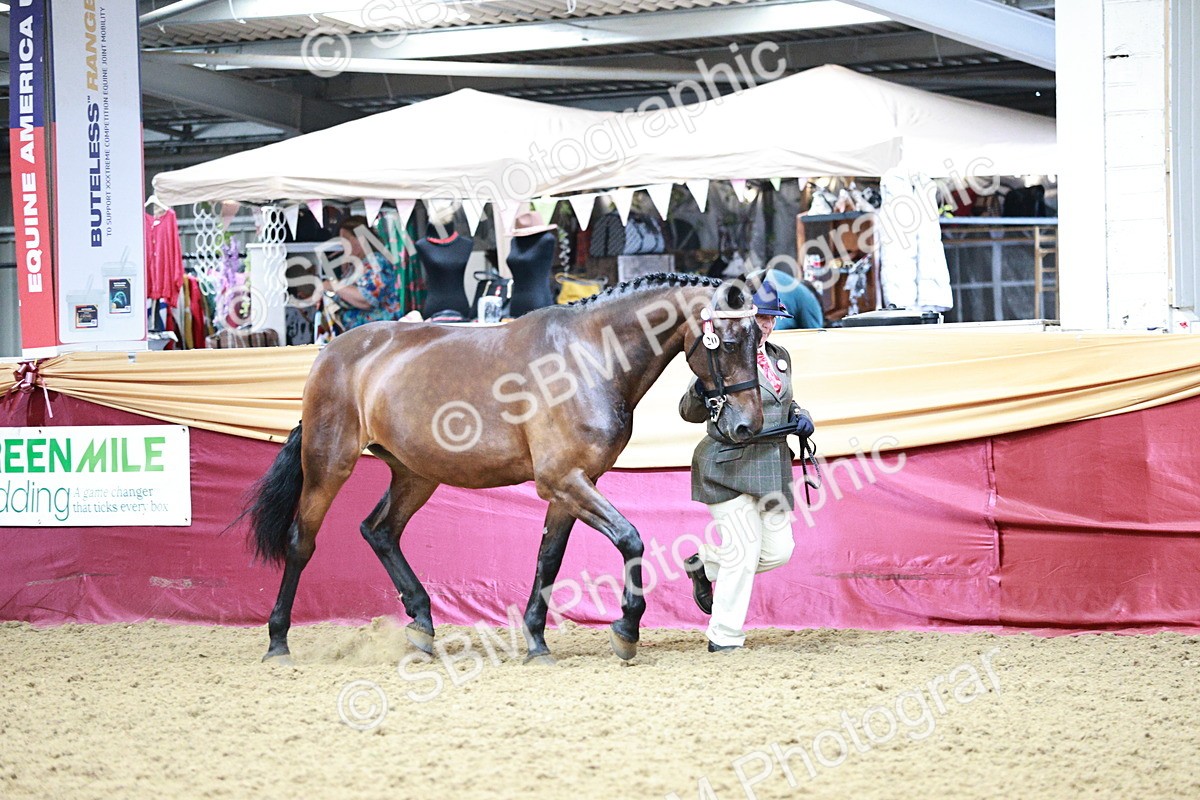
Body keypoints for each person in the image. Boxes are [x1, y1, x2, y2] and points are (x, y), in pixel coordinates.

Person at [679, 276, 815, 652]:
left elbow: (785, 401)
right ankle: (724, 636)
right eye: (762, 318)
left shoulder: (781, 358)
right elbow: (687, 412)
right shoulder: (724, 355)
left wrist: (800, 415)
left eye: (773, 319)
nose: (768, 325)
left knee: (778, 551)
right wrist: (702, 387)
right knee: (744, 548)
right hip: (726, 465)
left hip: (771, 466)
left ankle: (705, 565)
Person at [322, 215, 403, 329]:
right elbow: (348, 299)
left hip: (379, 335)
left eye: (345, 240)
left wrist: (333, 285)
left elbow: (366, 299)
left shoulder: (375, 262)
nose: (342, 245)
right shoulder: (357, 265)